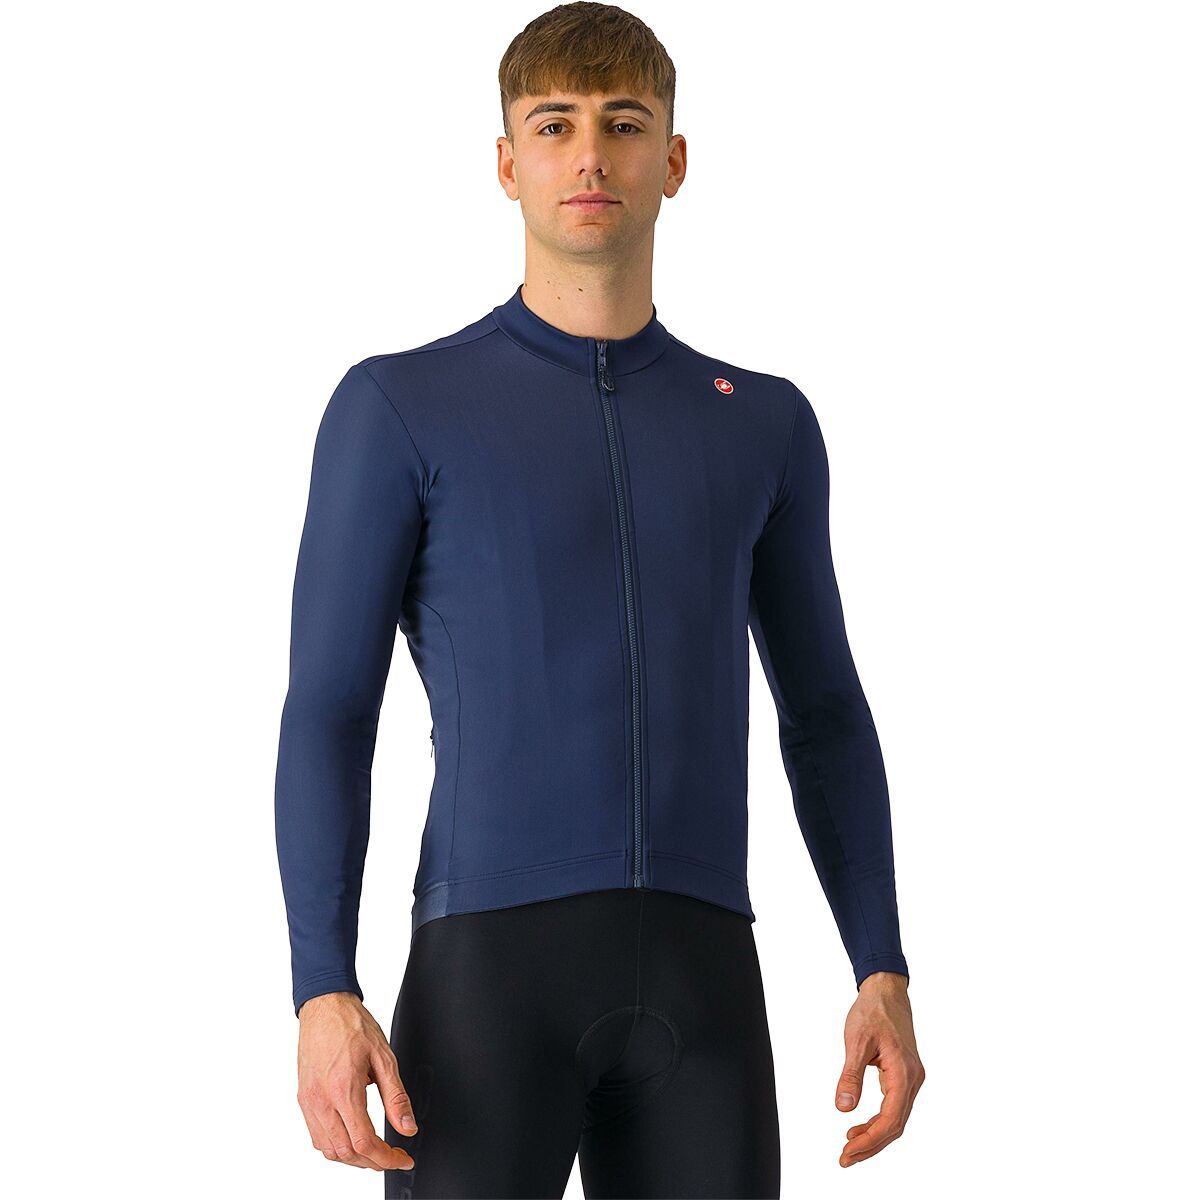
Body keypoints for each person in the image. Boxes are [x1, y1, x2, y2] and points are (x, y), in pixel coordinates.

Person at [274, 4, 924, 1195]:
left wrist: (879, 963)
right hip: (486, 985)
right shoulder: (400, 406)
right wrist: (324, 988)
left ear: (672, 160)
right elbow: (328, 709)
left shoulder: (764, 423)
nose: (589, 155)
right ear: (506, 163)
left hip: (705, 982)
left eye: (623, 125)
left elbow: (826, 712)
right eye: (554, 125)